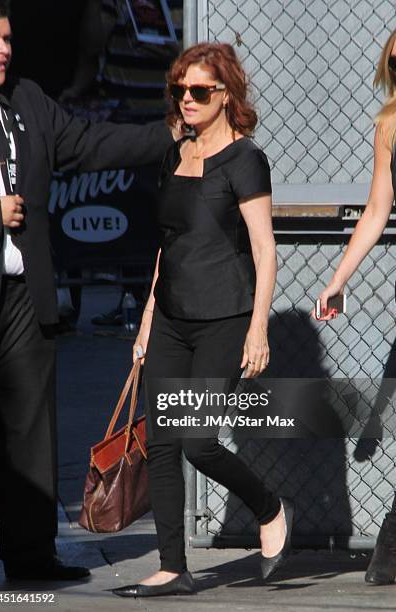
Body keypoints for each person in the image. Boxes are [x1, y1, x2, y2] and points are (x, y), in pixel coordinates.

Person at [0, 0, 175, 581]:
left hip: (23, 294)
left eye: (8, 38)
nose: (4, 49)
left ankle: (30, 558)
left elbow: (91, 144)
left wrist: (170, 134)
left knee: (30, 431)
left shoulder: (28, 102)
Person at [112, 41, 294, 599]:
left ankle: (268, 507)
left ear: (225, 95)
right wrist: (146, 320)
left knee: (197, 441)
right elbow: (168, 246)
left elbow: (265, 250)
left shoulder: (245, 159)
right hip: (169, 317)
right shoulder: (175, 154)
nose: (186, 99)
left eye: (199, 91)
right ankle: (173, 566)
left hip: (225, 318)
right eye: (179, 90)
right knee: (162, 442)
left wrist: (258, 327)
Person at [312, 30, 396, 585]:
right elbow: (374, 210)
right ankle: (390, 547)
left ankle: (390, 547)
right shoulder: (390, 124)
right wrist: (339, 279)